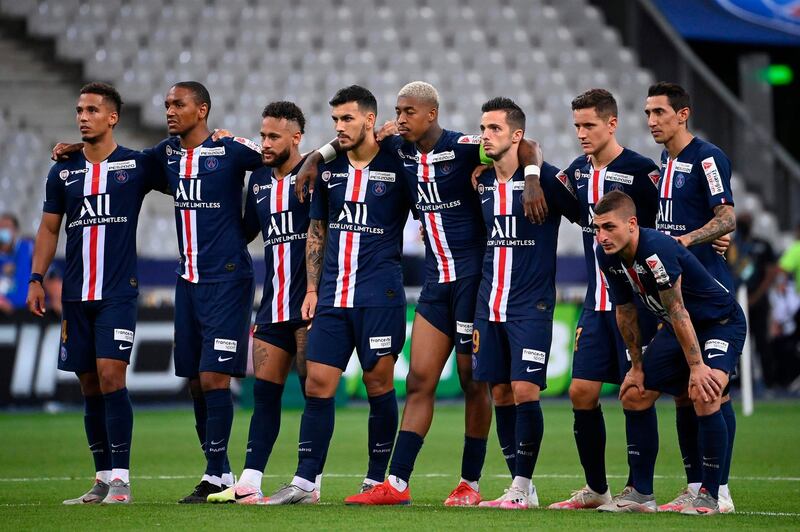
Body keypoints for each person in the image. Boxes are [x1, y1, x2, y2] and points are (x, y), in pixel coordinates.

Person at [317, 81, 547, 507]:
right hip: (435, 282)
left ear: (431, 114)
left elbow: (527, 143)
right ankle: (398, 483)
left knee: (472, 382)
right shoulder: (399, 150)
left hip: (473, 281)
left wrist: (532, 180)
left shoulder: (463, 147)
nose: (400, 118)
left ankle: (470, 483)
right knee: (420, 379)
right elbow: (351, 140)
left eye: (408, 112)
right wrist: (318, 156)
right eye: (397, 111)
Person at [54, 82, 268, 503]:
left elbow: (273, 166)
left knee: (213, 377)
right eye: (167, 104)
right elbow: (117, 163)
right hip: (187, 280)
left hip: (227, 279)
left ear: (202, 109)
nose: (169, 110)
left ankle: (213, 475)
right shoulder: (163, 156)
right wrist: (76, 150)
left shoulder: (232, 150)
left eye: (179, 104)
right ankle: (221, 470)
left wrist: (247, 226)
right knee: (193, 379)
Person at [266, 86, 412, 505]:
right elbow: (318, 230)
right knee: (317, 383)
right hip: (332, 296)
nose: (339, 127)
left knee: (377, 382)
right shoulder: (327, 169)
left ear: (369, 120)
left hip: (379, 296)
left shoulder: (397, 162)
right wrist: (312, 288)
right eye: (334, 120)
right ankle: (306, 481)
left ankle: (374, 479)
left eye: (347, 119)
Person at [27, 82, 166, 504]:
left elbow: (185, 166)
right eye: (78, 109)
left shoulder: (136, 165)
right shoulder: (63, 171)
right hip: (74, 294)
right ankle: (102, 477)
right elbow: (50, 228)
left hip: (117, 293)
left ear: (113, 117)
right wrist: (35, 278)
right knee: (88, 384)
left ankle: (122, 479)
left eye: (91, 109)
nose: (82, 116)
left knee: (110, 376)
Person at [592, 190, 746, 515]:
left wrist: (697, 367)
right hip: (679, 330)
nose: (602, 236)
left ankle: (711, 495)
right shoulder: (606, 255)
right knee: (634, 393)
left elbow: (677, 310)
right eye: (597, 228)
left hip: (719, 323)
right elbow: (625, 312)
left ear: (632, 224)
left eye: (609, 227)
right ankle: (640, 493)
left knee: (704, 392)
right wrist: (635, 366)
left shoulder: (655, 250)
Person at [548, 89, 661, 510]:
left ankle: (640, 492)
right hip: (597, 302)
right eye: (577, 125)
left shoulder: (641, 171)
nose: (581, 133)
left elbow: (662, 227)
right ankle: (597, 489)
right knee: (581, 392)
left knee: (637, 392)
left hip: (637, 303)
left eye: (589, 125)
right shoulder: (577, 173)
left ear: (612, 124)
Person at [465, 98, 578, 509]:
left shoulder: (547, 180)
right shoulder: (480, 181)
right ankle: (521, 488)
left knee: (525, 389)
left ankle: (521, 483)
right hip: (488, 304)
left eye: (495, 128)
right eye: (483, 128)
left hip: (532, 305)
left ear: (517, 136)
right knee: (500, 393)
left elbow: (587, 219)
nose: (485, 135)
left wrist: (532, 174)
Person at [207, 101, 318, 504]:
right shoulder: (257, 181)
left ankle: (310, 481)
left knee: (314, 393)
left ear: (296, 137)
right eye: (263, 135)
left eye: (274, 136)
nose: (266, 143)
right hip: (272, 305)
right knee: (265, 395)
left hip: (311, 306)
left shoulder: (317, 172)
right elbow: (244, 232)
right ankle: (250, 480)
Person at [645, 82, 737, 512]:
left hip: (710, 293)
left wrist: (690, 240)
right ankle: (695, 484)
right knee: (686, 392)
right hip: (674, 297)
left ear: (682, 114)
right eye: (648, 114)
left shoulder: (707, 157)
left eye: (660, 112)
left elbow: (727, 216)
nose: (652, 121)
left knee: (713, 390)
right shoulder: (664, 161)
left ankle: (718, 490)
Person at [727, 212, 779, 387]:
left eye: (747, 220)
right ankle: (740, 381)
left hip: (759, 300)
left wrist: (756, 296)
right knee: (738, 341)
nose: (744, 223)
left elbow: (771, 272)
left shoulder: (762, 245)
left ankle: (770, 382)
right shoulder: (730, 244)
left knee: (762, 341)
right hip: (735, 301)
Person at [0, 213, 34, 314]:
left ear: (15, 231)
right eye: (1, 227)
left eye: (7, 227)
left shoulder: (26, 248)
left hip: (25, 313)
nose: (3, 231)